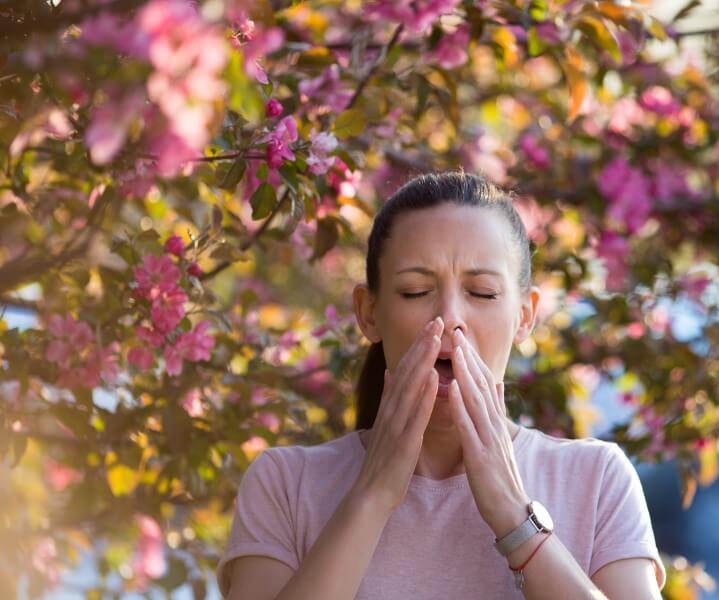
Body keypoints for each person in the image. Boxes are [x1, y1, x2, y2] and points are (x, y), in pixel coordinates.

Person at [217, 171, 666, 599]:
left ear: (525, 316)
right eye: (415, 291)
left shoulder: (597, 479)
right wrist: (372, 496)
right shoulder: (286, 484)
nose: (449, 317)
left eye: (483, 293)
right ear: (368, 312)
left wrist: (515, 517)